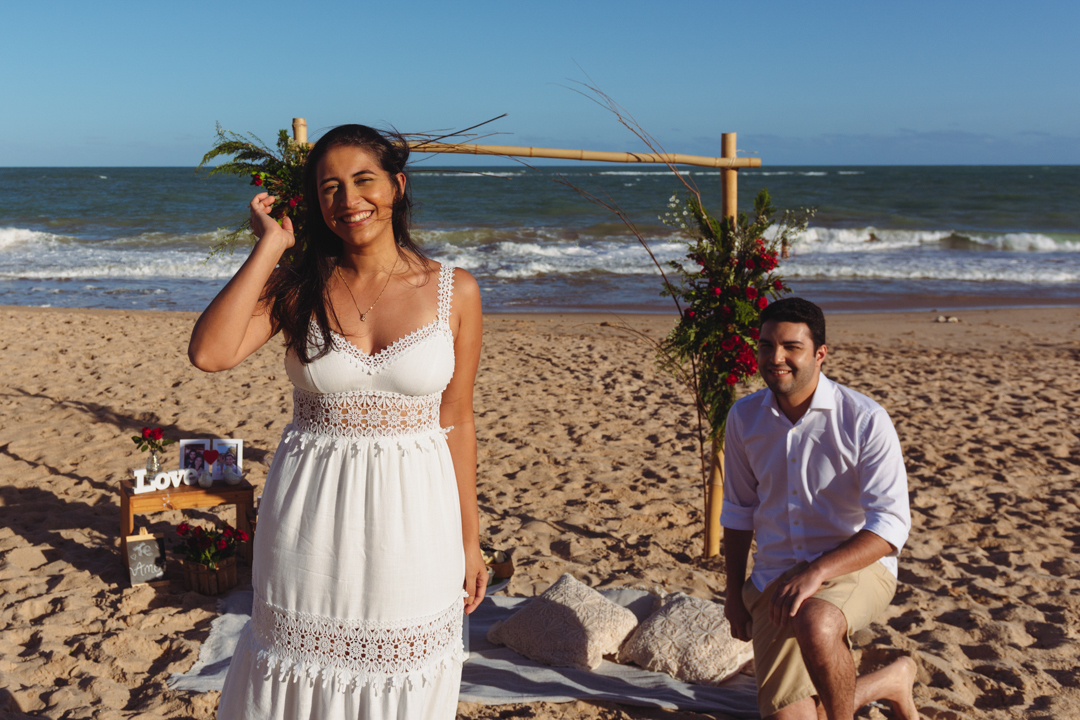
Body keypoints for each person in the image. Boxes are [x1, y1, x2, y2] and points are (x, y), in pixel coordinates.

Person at [188, 124, 486, 719]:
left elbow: (456, 417)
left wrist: (470, 539)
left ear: (396, 186)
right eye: (329, 187)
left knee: (401, 678)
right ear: (313, 202)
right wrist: (270, 247)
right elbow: (210, 353)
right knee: (299, 675)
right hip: (310, 518)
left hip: (417, 523)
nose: (349, 200)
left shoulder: (455, 290)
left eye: (363, 180)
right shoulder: (299, 287)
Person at [721, 297, 917, 720]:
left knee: (817, 621)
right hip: (775, 577)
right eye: (767, 345)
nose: (777, 358)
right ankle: (890, 680)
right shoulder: (743, 418)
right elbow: (738, 511)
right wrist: (733, 593)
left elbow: (891, 525)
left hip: (855, 566)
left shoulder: (864, 419)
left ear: (820, 353)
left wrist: (816, 571)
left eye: (792, 346)